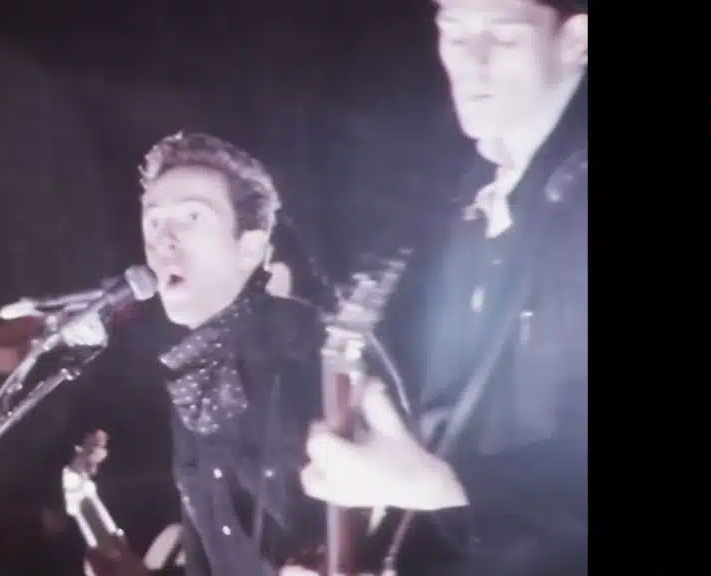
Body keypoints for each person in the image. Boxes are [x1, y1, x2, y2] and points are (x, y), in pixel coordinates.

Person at [294, 0, 589, 574]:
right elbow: (450, 434)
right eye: (454, 34)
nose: (471, 62)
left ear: (576, 40)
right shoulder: (473, 199)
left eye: (503, 38)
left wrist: (445, 485)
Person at [67, 132, 326, 575]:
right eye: (153, 222)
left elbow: (412, 514)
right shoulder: (191, 376)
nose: (164, 240)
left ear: (249, 247)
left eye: (192, 217)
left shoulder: (305, 341)